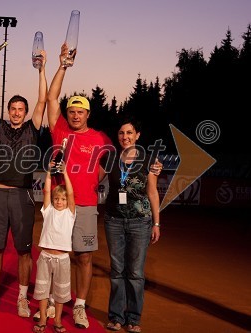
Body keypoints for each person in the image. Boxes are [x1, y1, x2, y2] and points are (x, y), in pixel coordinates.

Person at [46, 43, 113, 328]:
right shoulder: (59, 129)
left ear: (88, 114)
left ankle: (80, 306)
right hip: (61, 205)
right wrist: (62, 65)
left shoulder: (99, 138)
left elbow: (102, 169)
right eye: (71, 111)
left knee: (83, 257)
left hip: (85, 205)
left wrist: (88, 184)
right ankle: (53, 300)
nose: (75, 115)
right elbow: (51, 99)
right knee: (57, 256)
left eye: (80, 112)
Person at [0, 51, 47, 317]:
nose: (17, 113)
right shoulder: (0, 128)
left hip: (23, 197)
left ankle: (21, 298)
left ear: (26, 113)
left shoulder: (33, 129)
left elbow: (43, 99)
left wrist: (42, 70)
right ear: (8, 111)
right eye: (13, 109)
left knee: (23, 251)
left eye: (21, 110)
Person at [101, 114, 160, 333]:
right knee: (117, 271)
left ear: (137, 135)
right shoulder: (110, 158)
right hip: (114, 220)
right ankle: (116, 317)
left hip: (140, 222)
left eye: (129, 132)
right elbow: (92, 179)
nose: (125, 136)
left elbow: (152, 192)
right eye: (121, 133)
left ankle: (133, 318)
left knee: (135, 273)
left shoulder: (149, 160)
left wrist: (157, 223)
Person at [32, 161, 76, 333]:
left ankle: (57, 320)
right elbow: (47, 191)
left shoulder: (70, 213)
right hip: (45, 257)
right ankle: (43, 318)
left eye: (63, 199)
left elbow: (71, 193)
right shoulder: (48, 210)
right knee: (42, 290)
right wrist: (49, 173)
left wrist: (65, 173)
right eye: (57, 199)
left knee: (60, 292)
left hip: (62, 259)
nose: (59, 202)